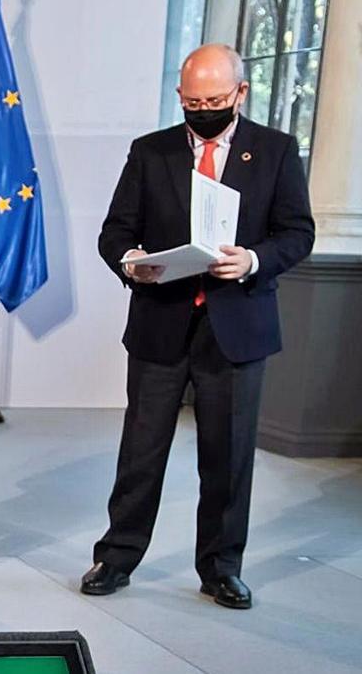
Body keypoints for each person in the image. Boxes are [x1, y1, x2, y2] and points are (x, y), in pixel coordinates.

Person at [83, 44, 314, 609]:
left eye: (213, 99)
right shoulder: (150, 151)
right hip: (161, 323)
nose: (202, 109)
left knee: (228, 456)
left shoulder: (277, 151)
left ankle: (221, 568)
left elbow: (296, 232)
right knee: (141, 450)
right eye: (191, 100)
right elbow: (114, 232)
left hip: (237, 327)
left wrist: (253, 260)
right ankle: (116, 557)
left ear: (241, 93)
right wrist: (132, 261)